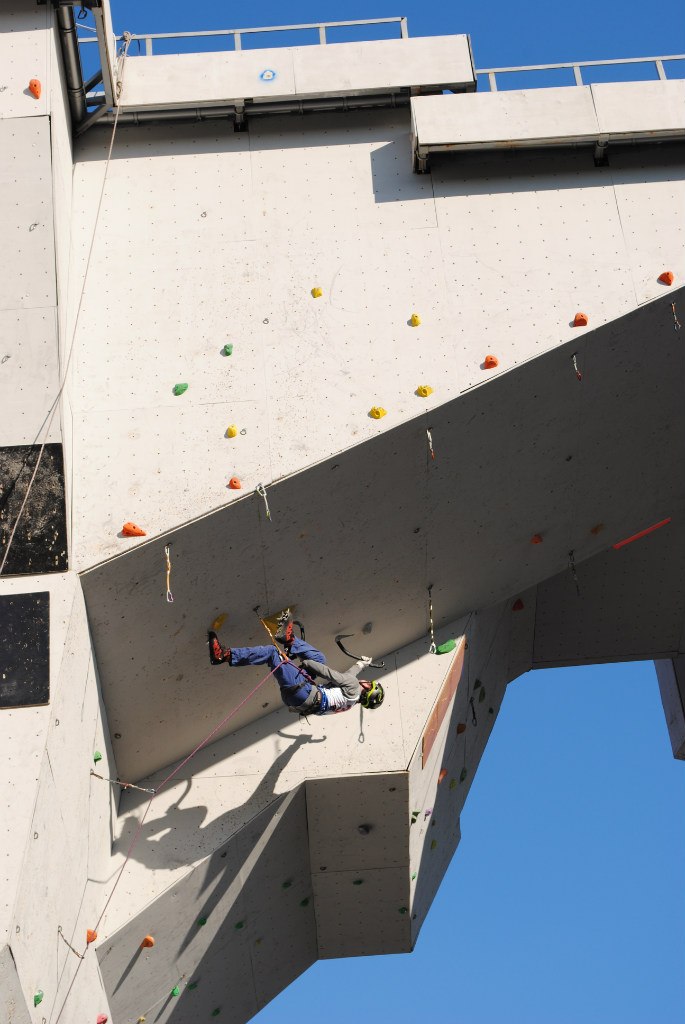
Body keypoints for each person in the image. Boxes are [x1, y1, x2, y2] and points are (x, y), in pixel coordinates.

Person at [207, 613, 384, 717]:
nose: (367, 681)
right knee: (320, 657)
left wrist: (305, 664)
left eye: (370, 683)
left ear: (368, 688)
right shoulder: (350, 703)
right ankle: (287, 638)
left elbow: (328, 674)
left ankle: (224, 656)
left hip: (303, 691)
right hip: (300, 698)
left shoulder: (353, 687)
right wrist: (360, 664)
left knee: (272, 653)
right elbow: (347, 678)